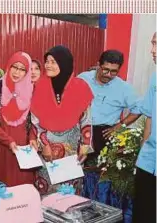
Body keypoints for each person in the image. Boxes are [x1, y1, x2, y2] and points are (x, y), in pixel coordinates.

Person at [30, 45, 94, 195]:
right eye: (47, 61)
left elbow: (86, 120)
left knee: (69, 192)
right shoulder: (40, 86)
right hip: (47, 151)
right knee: (46, 190)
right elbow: (35, 121)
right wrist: (44, 145)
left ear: (64, 63)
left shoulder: (81, 87)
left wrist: (85, 147)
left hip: (72, 150)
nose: (48, 65)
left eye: (53, 62)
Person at [77, 50, 142, 165]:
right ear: (98, 65)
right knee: (75, 169)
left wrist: (120, 125)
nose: (108, 74)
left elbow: (138, 109)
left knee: (98, 174)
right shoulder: (82, 79)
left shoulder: (123, 88)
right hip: (80, 132)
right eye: (105, 69)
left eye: (113, 72)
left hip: (104, 135)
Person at [0, 51, 37, 186]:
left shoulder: (33, 90)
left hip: (23, 148)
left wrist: (32, 138)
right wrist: (7, 140)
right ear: (9, 66)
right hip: (1, 145)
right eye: (15, 67)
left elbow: (34, 121)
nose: (17, 72)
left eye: (22, 69)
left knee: (21, 188)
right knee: (0, 189)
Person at [132, 32, 156, 223]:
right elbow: (149, 114)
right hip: (148, 160)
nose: (153, 51)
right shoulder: (155, 77)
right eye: (153, 44)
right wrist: (142, 150)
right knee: (142, 212)